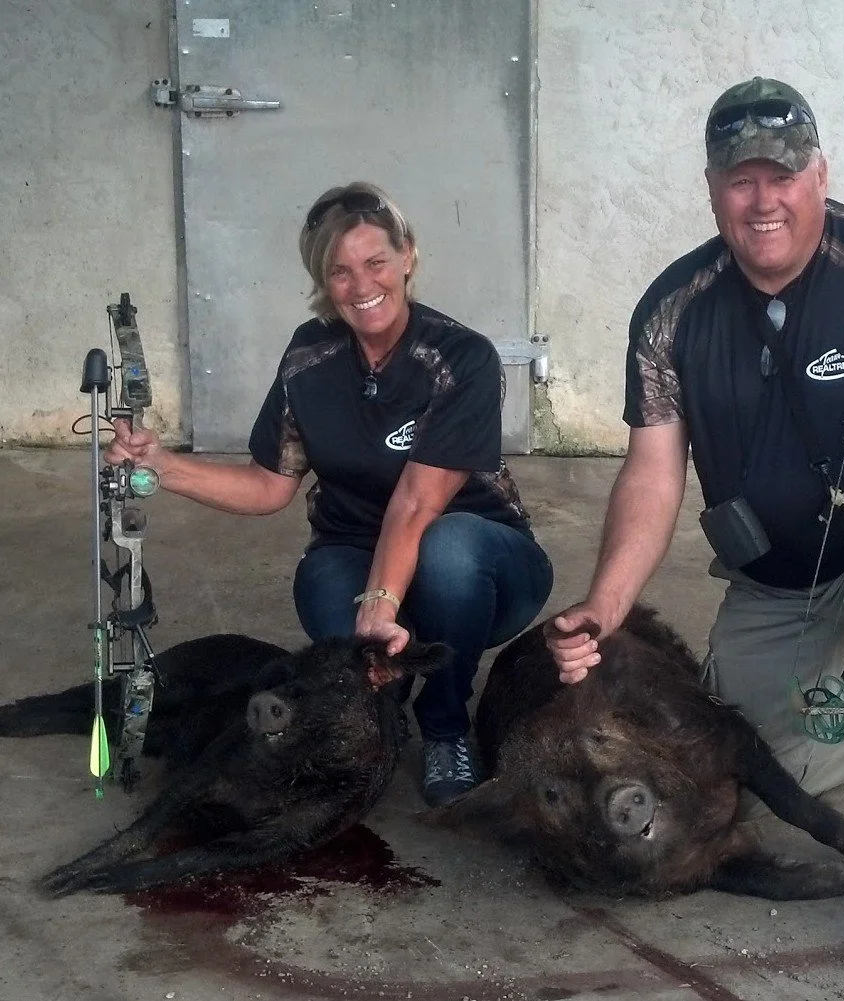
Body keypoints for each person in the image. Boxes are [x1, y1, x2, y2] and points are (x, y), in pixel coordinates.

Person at [545, 78, 844, 976]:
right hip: (774, 568)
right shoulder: (673, 309)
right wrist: (602, 609)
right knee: (759, 778)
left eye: (782, 175)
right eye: (740, 179)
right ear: (714, 187)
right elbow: (652, 470)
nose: (763, 200)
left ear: (819, 174)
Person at [107, 181, 554, 808]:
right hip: (353, 547)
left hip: (484, 566)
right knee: (319, 586)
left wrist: (379, 604)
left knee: (448, 548)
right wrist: (162, 466)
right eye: (339, 271)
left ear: (408, 257)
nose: (361, 284)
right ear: (322, 279)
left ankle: (448, 723)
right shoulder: (308, 358)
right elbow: (268, 486)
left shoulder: (461, 358)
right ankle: (381, 714)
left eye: (376, 262)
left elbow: (418, 504)